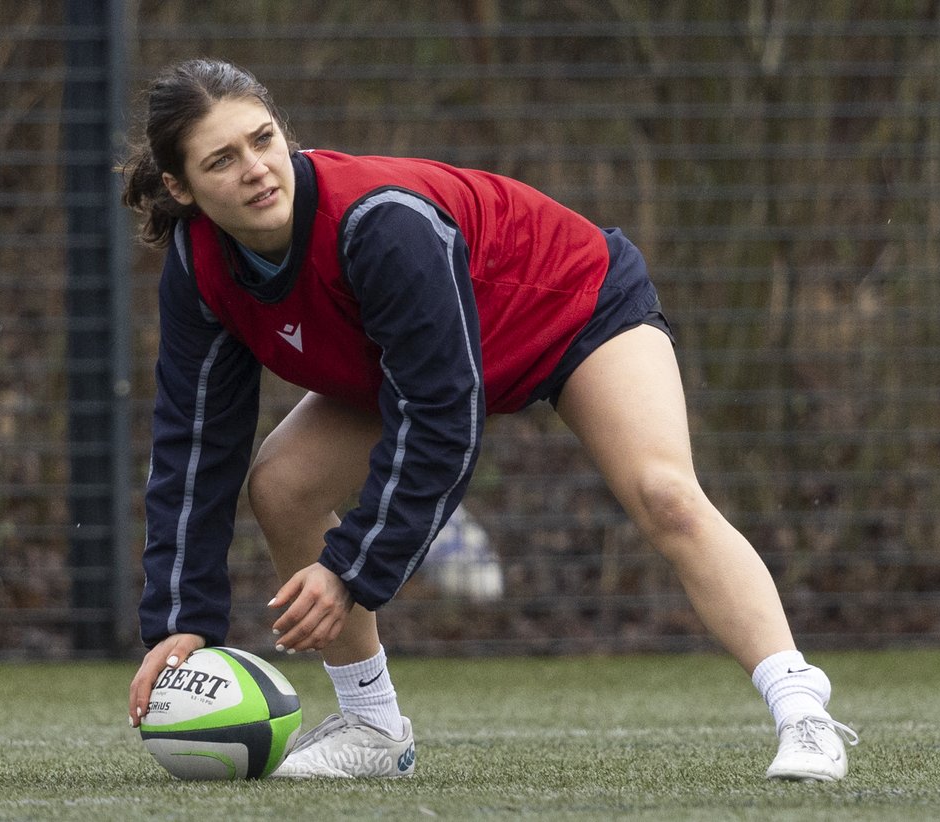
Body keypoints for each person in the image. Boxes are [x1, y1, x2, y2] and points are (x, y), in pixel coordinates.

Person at [122, 57, 858, 781]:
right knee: (281, 485)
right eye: (221, 160)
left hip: (567, 307)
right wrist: (183, 618)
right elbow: (193, 445)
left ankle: (804, 711)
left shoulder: (380, 222)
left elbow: (443, 416)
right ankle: (373, 727)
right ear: (180, 187)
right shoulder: (200, 266)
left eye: (262, 139)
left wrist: (352, 571)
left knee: (666, 494)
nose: (255, 168)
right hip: (412, 359)